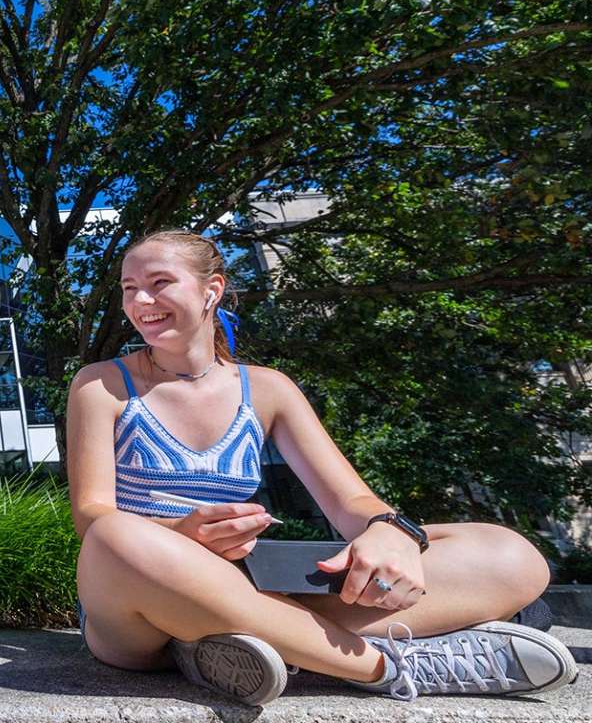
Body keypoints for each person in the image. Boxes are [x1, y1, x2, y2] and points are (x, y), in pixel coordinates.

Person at [66, 229, 576, 706]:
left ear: (211, 290)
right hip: (136, 606)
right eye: (130, 289)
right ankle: (392, 668)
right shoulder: (100, 383)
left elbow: (350, 500)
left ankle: (223, 645)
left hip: (251, 585)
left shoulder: (268, 389)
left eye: (159, 284)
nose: (140, 303)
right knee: (117, 537)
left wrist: (386, 531)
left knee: (511, 555)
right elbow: (92, 515)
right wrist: (179, 533)